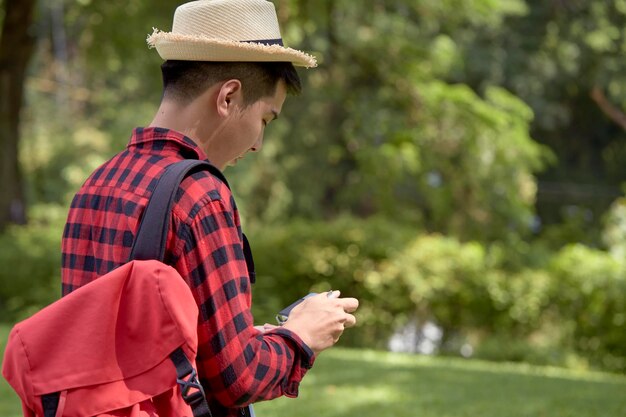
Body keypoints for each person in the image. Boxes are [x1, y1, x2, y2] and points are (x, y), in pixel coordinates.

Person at [60, 0, 359, 416]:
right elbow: (237, 380)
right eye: (266, 120)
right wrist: (302, 336)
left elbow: (129, 342)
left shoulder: (99, 182)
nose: (257, 144)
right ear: (229, 97)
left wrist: (241, 335)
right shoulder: (200, 194)